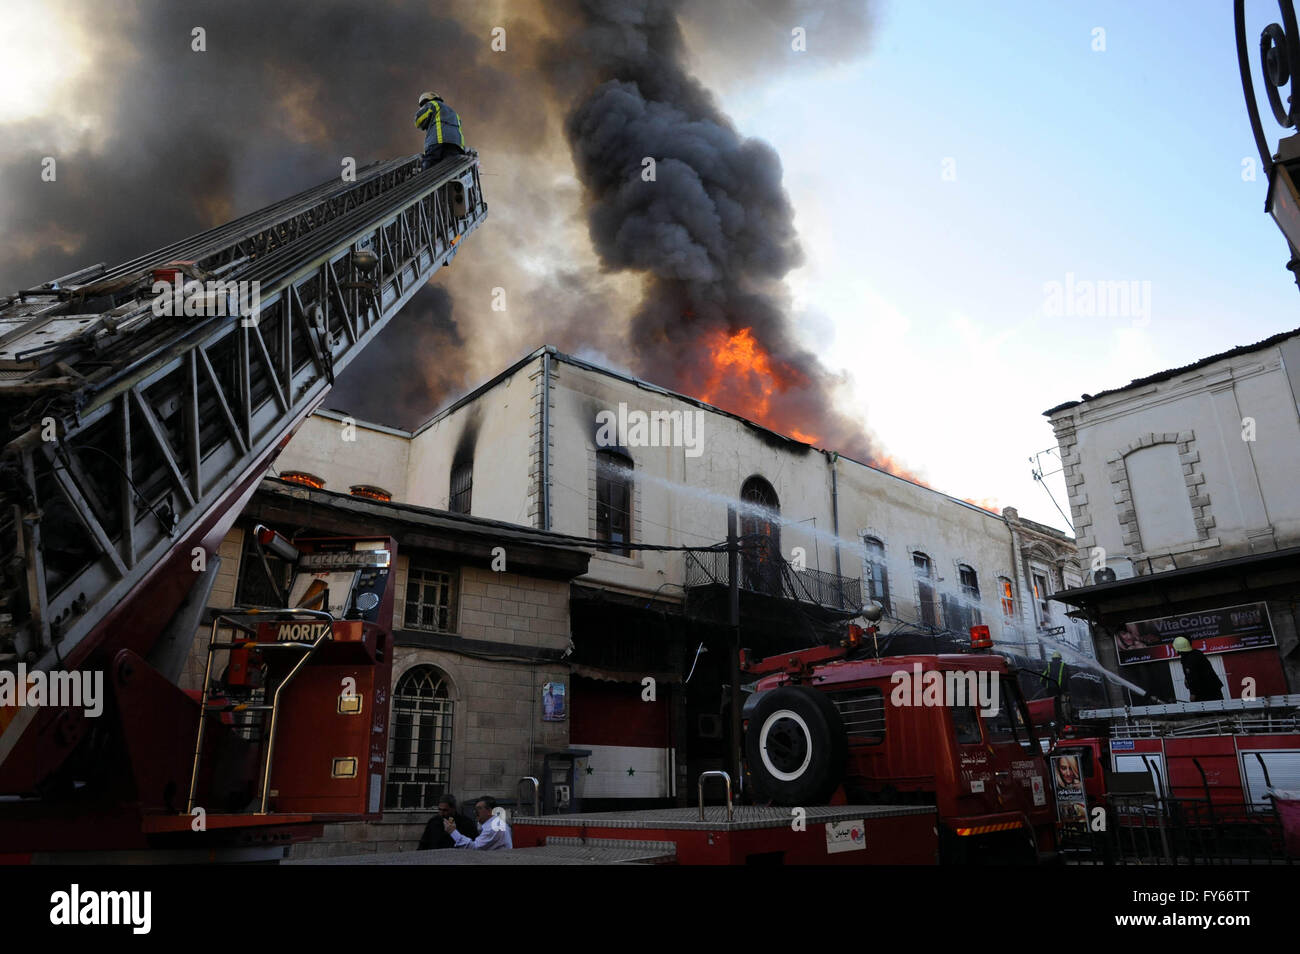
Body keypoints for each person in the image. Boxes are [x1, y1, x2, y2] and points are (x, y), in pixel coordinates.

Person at [415, 92, 466, 171]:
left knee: (429, 168)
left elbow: (418, 120)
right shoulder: (453, 112)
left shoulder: (432, 104)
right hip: (456, 145)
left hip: (438, 141)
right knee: (450, 169)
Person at [446, 795, 513, 850]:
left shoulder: (494, 827)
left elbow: (474, 848)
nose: (475, 812)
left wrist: (453, 832)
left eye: (479, 808)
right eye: (475, 809)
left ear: (490, 811)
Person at [1173, 636, 1224, 702]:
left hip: (1205, 691)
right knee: (1220, 708)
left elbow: (1193, 678)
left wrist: (1193, 693)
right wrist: (1186, 678)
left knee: (1207, 710)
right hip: (1214, 688)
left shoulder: (1188, 659)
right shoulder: (1197, 653)